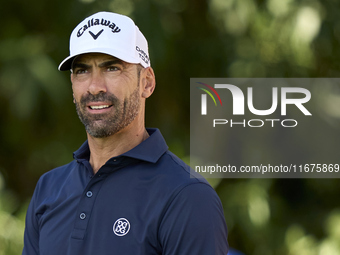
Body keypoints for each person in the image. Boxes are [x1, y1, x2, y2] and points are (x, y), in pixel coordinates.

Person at [22, 11, 229, 255]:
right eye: (82, 70)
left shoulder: (188, 197)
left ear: (147, 83)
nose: (94, 86)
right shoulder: (49, 189)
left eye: (112, 68)